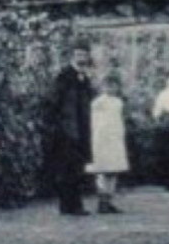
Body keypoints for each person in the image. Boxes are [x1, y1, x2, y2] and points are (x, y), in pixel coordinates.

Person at [47, 40, 96, 216]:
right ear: (72, 56)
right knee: (67, 168)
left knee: (77, 168)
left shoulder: (85, 78)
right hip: (66, 131)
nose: (81, 58)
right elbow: (54, 103)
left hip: (81, 130)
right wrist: (59, 126)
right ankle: (69, 205)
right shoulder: (64, 76)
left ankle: (73, 205)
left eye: (84, 54)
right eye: (78, 55)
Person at [87, 74, 130, 214]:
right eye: (107, 85)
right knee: (102, 170)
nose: (110, 88)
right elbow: (93, 123)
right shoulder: (97, 103)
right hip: (101, 138)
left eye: (113, 86)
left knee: (114, 170)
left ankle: (109, 200)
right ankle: (102, 201)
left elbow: (119, 121)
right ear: (102, 87)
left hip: (115, 138)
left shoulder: (118, 102)